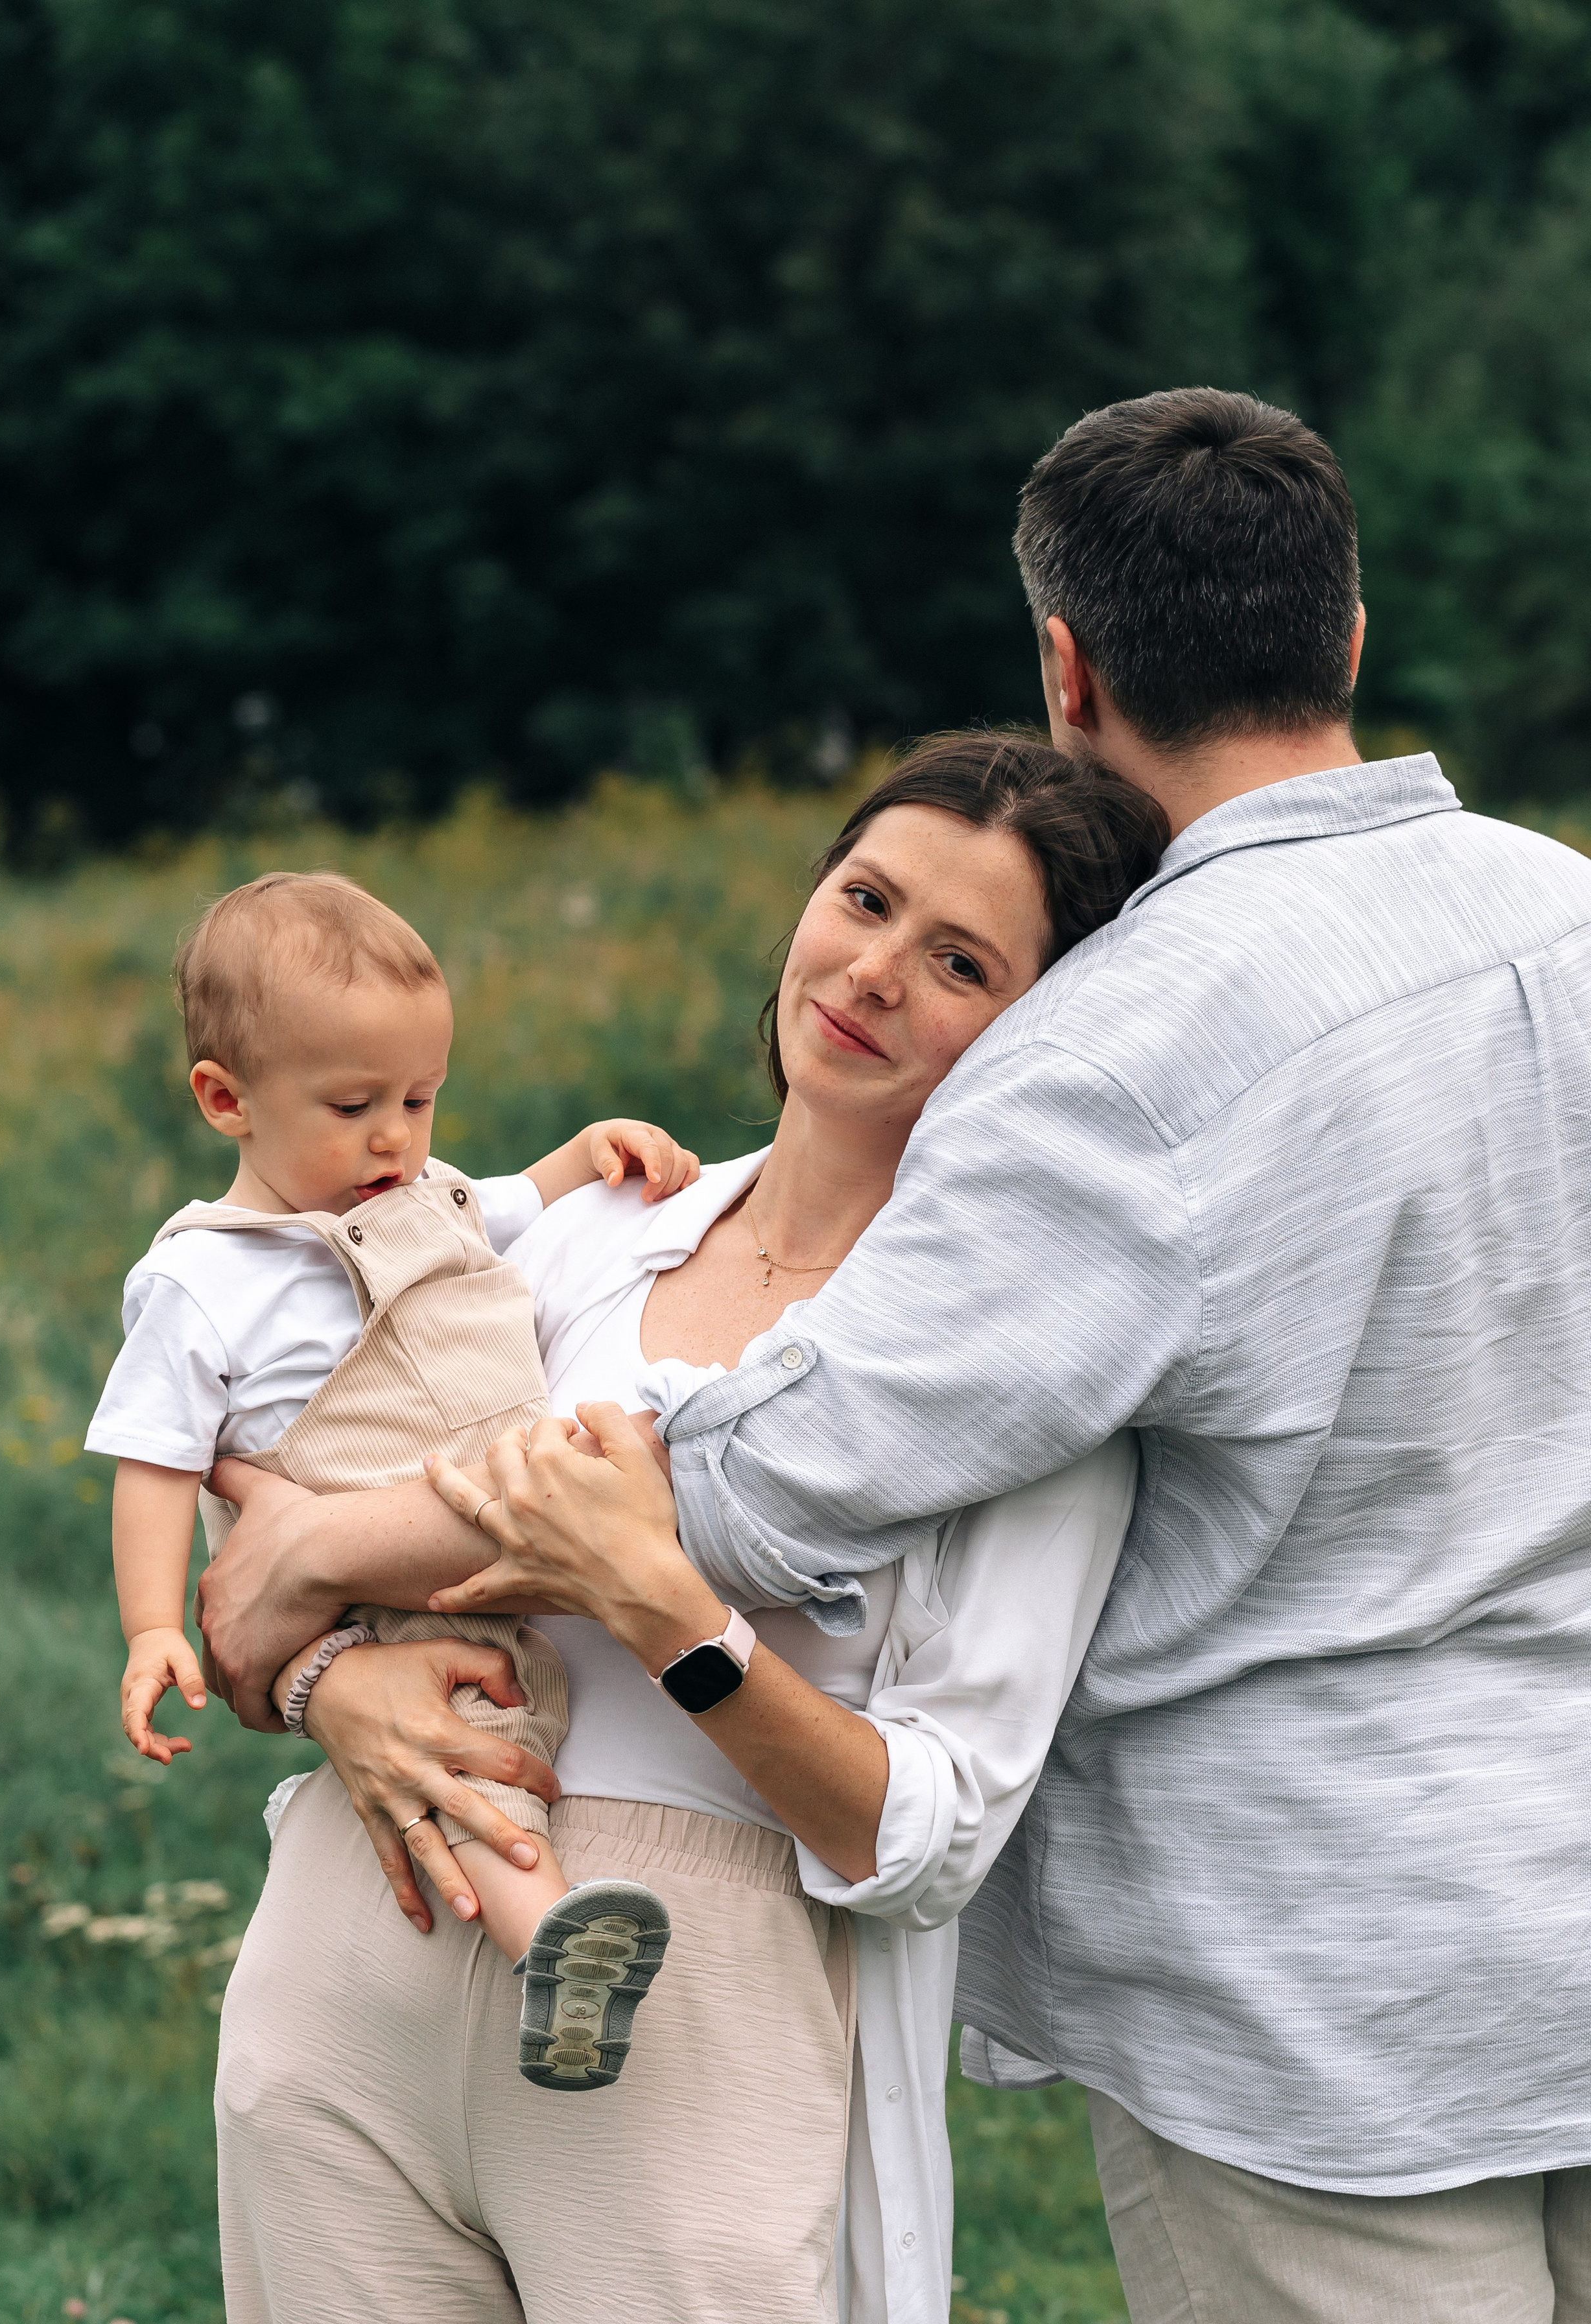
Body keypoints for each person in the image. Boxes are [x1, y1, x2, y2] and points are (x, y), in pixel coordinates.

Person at [440, 388, 1591, 2321]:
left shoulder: (1115, 1058)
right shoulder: (1568, 915)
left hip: (1319, 1996)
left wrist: (324, 1556)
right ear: (1352, 643)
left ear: (1066, 670)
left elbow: (753, 1480)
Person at [197, 731, 1168, 2323]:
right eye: (862, 898)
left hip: (692, 2022)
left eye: (959, 961)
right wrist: (334, 1695)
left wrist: (672, 1618)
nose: (869, 971)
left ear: (1043, 1030)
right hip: (356, 1938)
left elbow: (923, 1835)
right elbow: (251, 1588)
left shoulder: (1028, 1386)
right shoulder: (583, 1231)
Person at [84, 869, 699, 2086]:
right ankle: (556, 1953)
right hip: (379, 1576)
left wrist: (587, 1154)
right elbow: (153, 1465)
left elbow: (509, 1208)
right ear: (226, 1100)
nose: (395, 1139)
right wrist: (156, 1625)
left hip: (495, 1496)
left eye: (421, 1098)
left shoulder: (425, 1195)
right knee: (479, 1737)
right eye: (354, 1104)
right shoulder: (204, 1279)